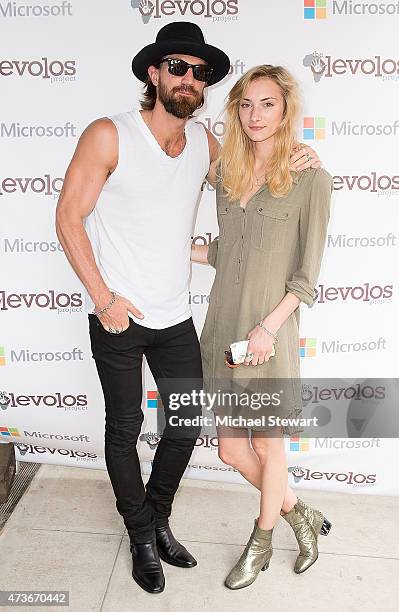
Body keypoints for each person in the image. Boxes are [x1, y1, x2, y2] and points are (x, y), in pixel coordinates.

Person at [56, 21, 320, 594]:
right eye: (177, 67)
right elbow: (67, 217)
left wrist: (295, 153)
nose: (188, 78)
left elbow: (255, 175)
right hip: (118, 316)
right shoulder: (110, 134)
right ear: (153, 73)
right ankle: (141, 534)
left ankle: (158, 520)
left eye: (199, 72)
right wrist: (103, 299)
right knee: (124, 428)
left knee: (181, 428)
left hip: (176, 317)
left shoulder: (204, 142)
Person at [192, 65, 333, 590]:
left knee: (271, 447)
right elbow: (227, 250)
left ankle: (262, 540)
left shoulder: (310, 178)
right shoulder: (225, 175)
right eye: (246, 104)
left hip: (267, 337)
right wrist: (173, 251)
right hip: (223, 328)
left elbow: (305, 277)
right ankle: (301, 515)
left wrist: (268, 328)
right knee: (231, 448)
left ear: (285, 109)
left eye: (267, 104)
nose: (255, 115)